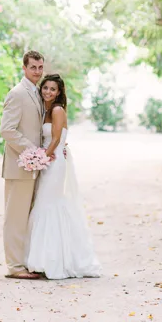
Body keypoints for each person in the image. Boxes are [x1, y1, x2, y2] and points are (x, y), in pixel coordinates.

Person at [25, 74, 101, 280]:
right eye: (45, 88)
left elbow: (57, 137)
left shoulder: (57, 110)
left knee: (49, 205)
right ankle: (42, 258)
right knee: (43, 204)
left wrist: (43, 157)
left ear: (59, 93)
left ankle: (54, 261)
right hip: (50, 160)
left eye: (53, 89)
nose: (48, 92)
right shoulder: (46, 111)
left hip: (54, 162)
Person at [0, 50, 47, 280]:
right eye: (33, 67)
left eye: (40, 67)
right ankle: (14, 266)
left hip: (34, 165)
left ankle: (25, 261)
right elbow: (7, 129)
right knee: (15, 216)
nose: (37, 71)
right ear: (24, 68)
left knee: (28, 216)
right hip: (19, 166)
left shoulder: (37, 93)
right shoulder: (17, 94)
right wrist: (32, 152)